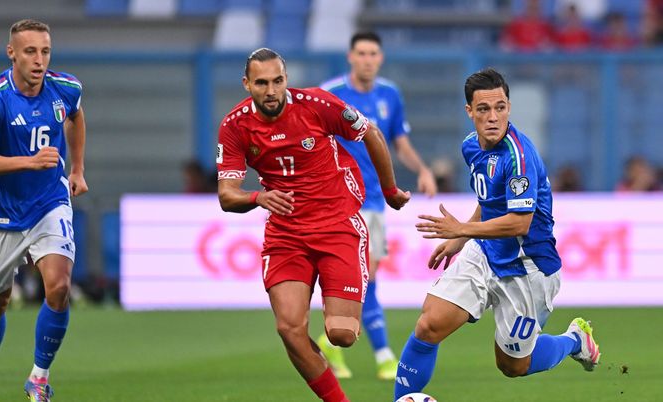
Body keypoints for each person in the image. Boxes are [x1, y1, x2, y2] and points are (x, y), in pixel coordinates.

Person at [393, 68, 601, 400]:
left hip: (528, 268)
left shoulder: (519, 158)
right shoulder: (470, 147)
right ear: (469, 112)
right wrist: (461, 239)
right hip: (485, 252)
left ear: (509, 107)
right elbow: (489, 201)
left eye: (501, 107)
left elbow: (519, 222)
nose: (493, 117)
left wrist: (462, 228)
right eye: (484, 109)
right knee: (428, 326)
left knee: (512, 366)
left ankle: (575, 340)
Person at [217, 48, 409, 402]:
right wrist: (257, 198)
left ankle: (338, 325)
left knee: (341, 334)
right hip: (286, 234)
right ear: (247, 84)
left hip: (337, 224)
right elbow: (227, 195)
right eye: (261, 83)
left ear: (286, 79)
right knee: (289, 329)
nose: (271, 90)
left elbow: (373, 134)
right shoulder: (235, 126)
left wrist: (390, 190)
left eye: (277, 81)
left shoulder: (317, 104)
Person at [0, 19, 87, 402]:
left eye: (45, 51)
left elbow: (76, 116)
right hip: (0, 215)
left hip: (50, 203)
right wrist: (28, 161)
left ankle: (39, 377)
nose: (39, 60)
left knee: (60, 286)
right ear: (11, 52)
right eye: (30, 51)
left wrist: (77, 169)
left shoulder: (65, 88)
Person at [316, 31, 437, 381]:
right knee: (365, 274)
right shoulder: (331, 94)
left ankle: (331, 343)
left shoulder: (390, 94)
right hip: (339, 199)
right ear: (350, 57)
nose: (367, 59)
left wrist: (423, 169)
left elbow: (399, 142)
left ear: (379, 58)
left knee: (366, 276)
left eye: (373, 53)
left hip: (375, 200)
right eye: (361, 53)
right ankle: (384, 354)